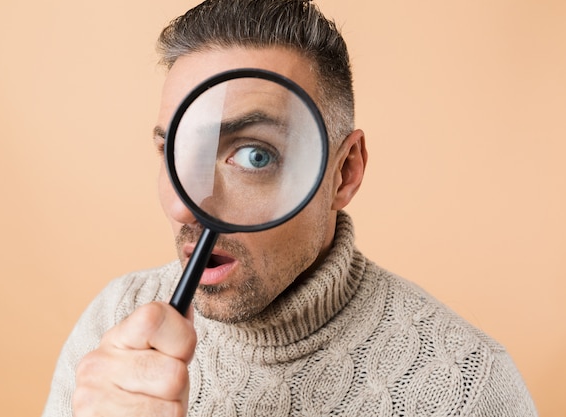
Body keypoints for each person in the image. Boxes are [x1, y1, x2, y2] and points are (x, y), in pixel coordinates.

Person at [42, 1, 538, 416]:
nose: (183, 205)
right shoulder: (112, 321)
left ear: (344, 173)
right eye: (173, 152)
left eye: (255, 155)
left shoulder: (469, 388)